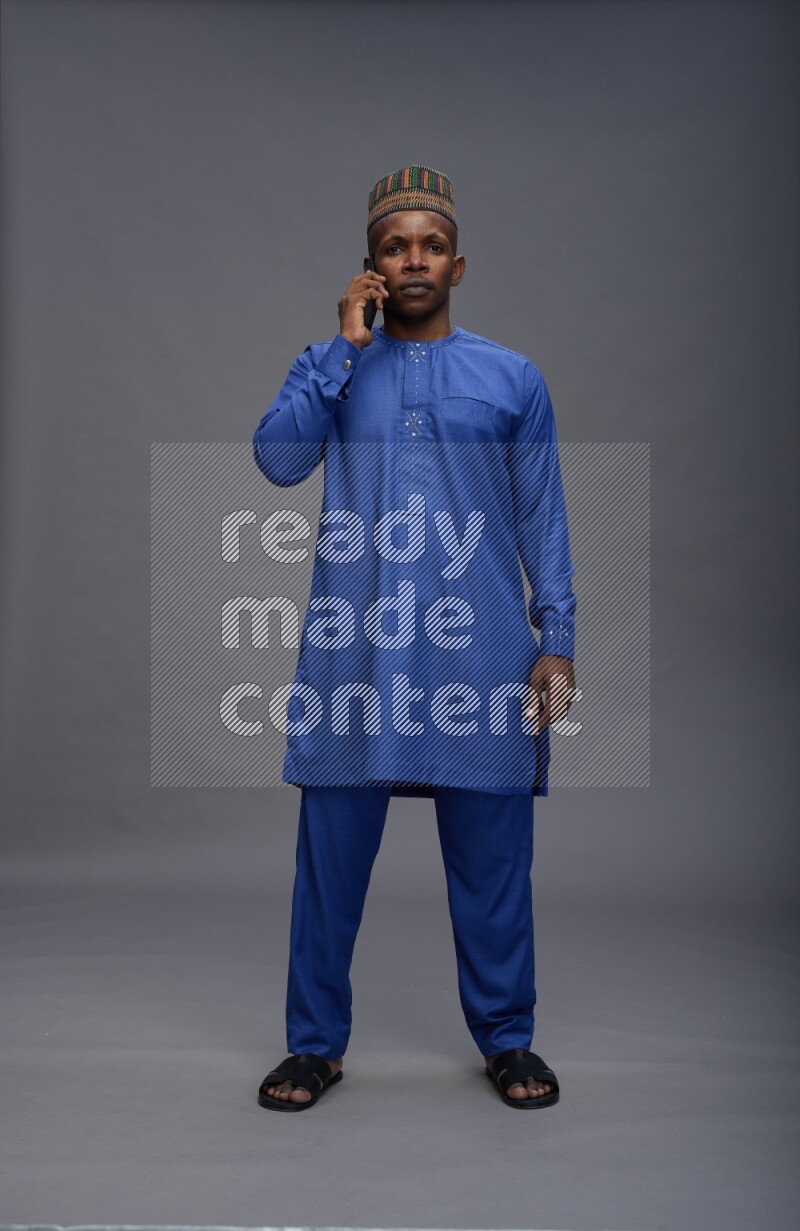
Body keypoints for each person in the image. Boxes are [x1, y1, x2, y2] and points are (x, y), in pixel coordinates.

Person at [252, 165, 577, 1111]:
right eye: (395, 247)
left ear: (458, 265)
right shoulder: (331, 367)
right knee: (329, 864)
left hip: (481, 654)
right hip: (356, 653)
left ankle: (508, 1038)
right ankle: (313, 1045)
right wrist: (342, 351)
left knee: (494, 862)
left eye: (432, 245)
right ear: (370, 269)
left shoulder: (512, 378)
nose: (415, 260)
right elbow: (277, 460)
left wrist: (556, 637)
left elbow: (543, 516)